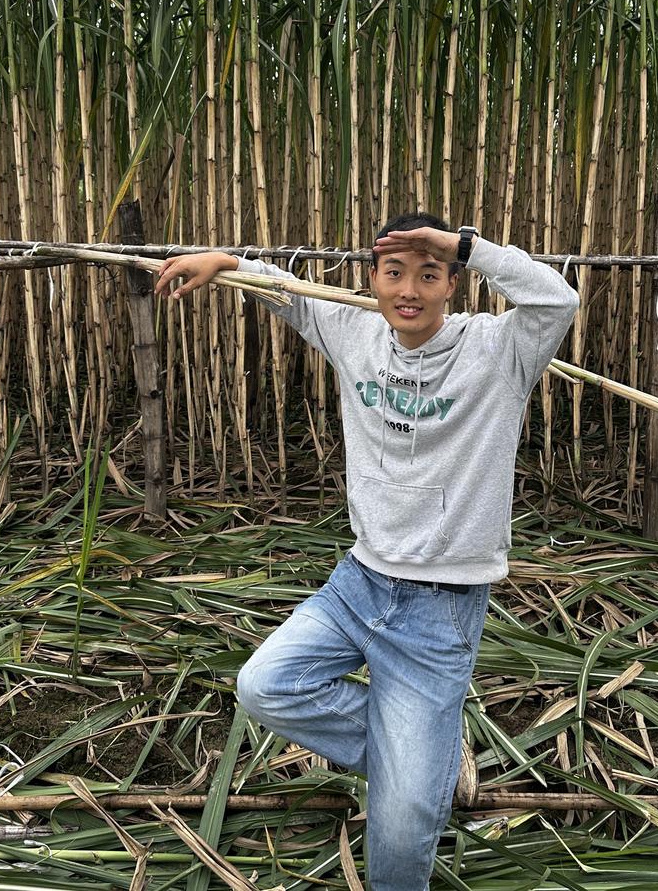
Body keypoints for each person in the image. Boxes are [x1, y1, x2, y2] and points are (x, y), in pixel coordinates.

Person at [155, 213, 579, 891]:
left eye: (429, 274)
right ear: (372, 280)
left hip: (439, 611)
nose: (409, 289)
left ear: (452, 285)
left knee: (405, 820)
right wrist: (224, 263)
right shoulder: (355, 332)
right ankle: (426, 761)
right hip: (359, 584)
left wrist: (467, 244)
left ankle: (419, 773)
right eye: (394, 272)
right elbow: (289, 291)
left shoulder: (500, 353)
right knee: (264, 686)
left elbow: (557, 299)